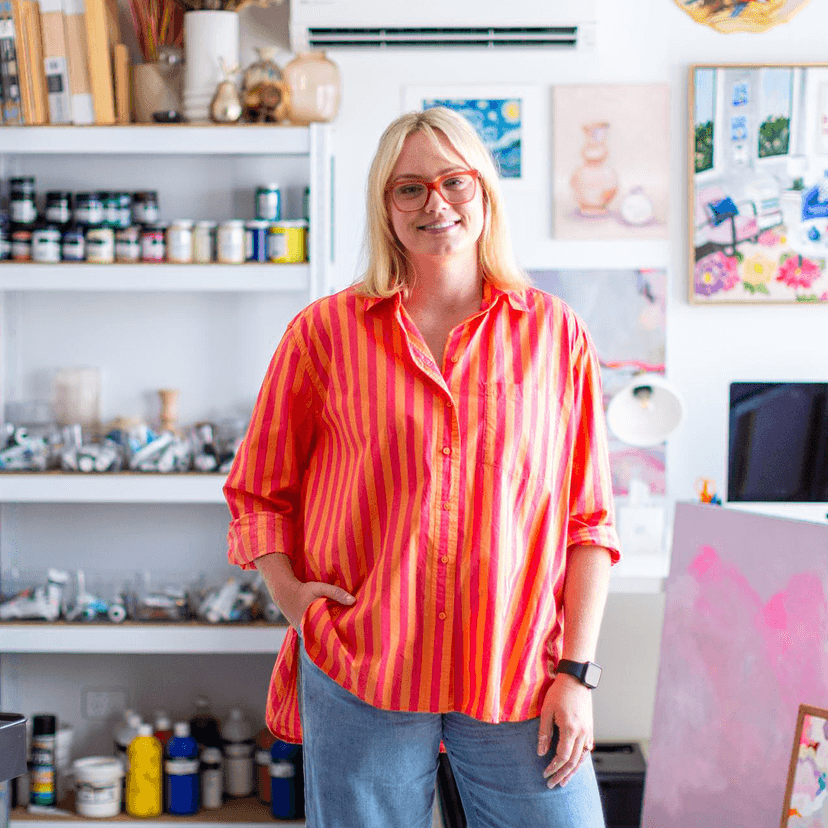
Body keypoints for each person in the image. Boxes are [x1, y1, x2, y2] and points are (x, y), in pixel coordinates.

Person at [224, 106, 621, 828]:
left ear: (485, 192)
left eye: (454, 181)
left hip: (517, 669)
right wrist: (297, 604)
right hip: (362, 665)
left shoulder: (555, 335)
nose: (434, 203)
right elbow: (258, 493)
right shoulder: (323, 336)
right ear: (386, 206)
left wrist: (577, 673)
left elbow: (588, 521)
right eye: (409, 188)